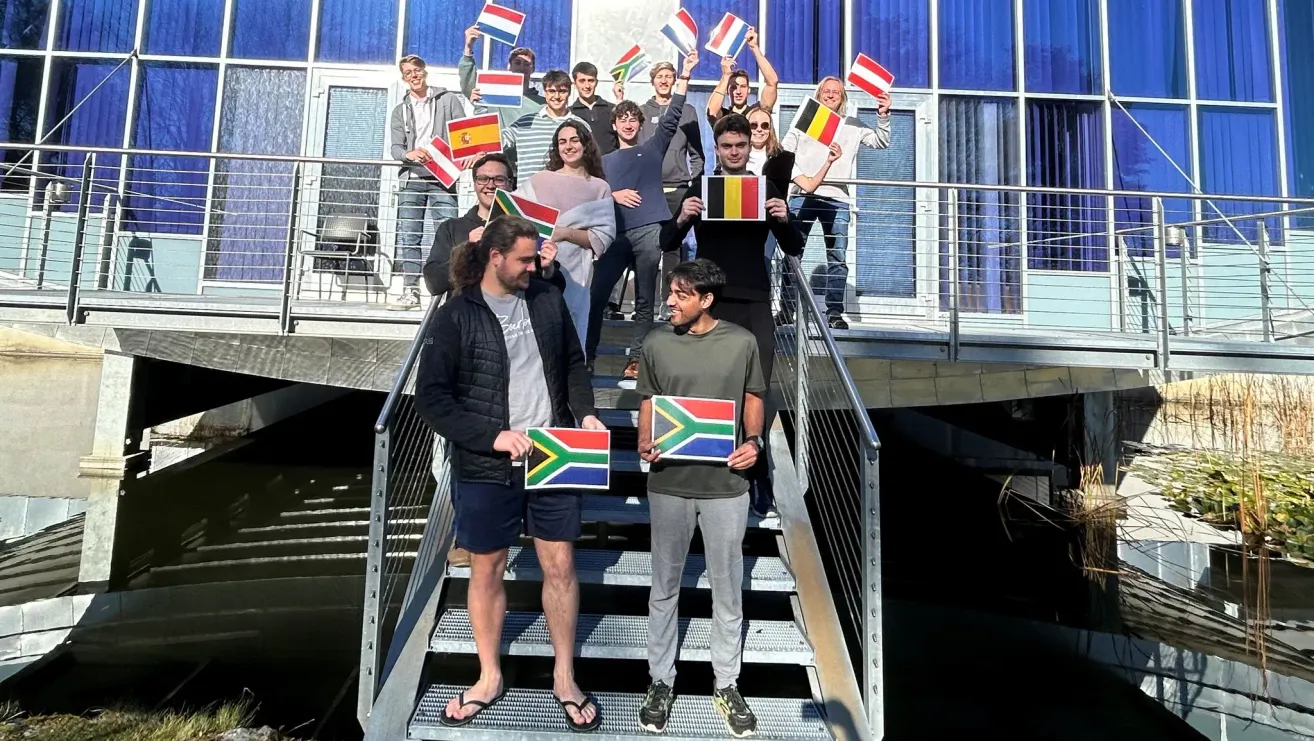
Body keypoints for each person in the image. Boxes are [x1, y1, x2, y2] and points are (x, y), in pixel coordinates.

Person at [414, 215, 604, 733]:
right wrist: (490, 436)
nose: (534, 265)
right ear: (495, 257)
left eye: (535, 256)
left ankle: (564, 676)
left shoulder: (546, 299)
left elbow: (572, 363)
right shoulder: (455, 315)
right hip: (486, 464)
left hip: (554, 454)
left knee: (560, 565)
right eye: (524, 258)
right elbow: (432, 400)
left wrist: (583, 411)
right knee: (487, 567)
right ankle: (489, 675)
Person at [635, 258, 767, 739]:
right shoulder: (654, 343)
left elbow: (755, 395)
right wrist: (643, 440)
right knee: (663, 588)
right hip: (668, 483)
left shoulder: (741, 342)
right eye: (670, 291)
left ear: (706, 300)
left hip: (726, 489)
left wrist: (754, 443)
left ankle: (727, 685)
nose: (670, 301)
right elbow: (648, 398)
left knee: (727, 590)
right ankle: (659, 682)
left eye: (681, 294)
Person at [661, 113, 802, 517]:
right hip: (709, 303)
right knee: (702, 384)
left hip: (755, 299)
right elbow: (665, 240)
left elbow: (793, 248)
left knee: (755, 389)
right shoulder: (701, 188)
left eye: (741, 145)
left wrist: (784, 217)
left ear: (749, 147)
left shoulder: (766, 188)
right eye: (727, 146)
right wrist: (683, 216)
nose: (735, 151)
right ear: (717, 149)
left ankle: (757, 479)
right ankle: (697, 470)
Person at [586, 51, 697, 379]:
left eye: (634, 118)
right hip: (616, 234)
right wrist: (613, 194)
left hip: (649, 230)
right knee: (597, 295)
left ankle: (636, 360)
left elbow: (674, 113)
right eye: (623, 118)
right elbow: (592, 196)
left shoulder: (652, 148)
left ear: (639, 123)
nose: (629, 123)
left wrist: (686, 75)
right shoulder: (604, 162)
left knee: (646, 299)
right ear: (615, 124)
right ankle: (588, 354)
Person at [780, 76, 892, 330]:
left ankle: (833, 312)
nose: (831, 95)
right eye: (826, 91)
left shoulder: (852, 124)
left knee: (838, 258)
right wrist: (803, 179)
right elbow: (785, 151)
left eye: (836, 93)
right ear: (819, 94)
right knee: (792, 254)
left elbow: (881, 141)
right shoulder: (807, 118)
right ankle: (787, 310)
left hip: (837, 197)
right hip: (802, 195)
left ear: (842, 98)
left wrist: (883, 115)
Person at [518, 122, 615, 349]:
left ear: (585, 144)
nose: (568, 146)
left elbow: (602, 238)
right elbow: (514, 217)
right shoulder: (539, 179)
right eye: (562, 141)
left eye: (574, 140)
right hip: (537, 269)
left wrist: (565, 233)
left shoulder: (600, 187)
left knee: (570, 332)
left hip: (577, 273)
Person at [423, 152, 564, 299]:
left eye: (499, 179)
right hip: (470, 317)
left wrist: (548, 270)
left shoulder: (527, 229)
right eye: (482, 179)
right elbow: (433, 283)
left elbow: (558, 288)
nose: (490, 185)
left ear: (510, 184)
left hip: (516, 317)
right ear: (474, 184)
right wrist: (467, 249)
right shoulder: (452, 228)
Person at [388, 54, 469, 310]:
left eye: (417, 70)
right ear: (403, 78)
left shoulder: (448, 99)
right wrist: (408, 155)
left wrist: (466, 156)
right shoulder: (400, 110)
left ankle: (450, 289)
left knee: (448, 234)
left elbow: (463, 132)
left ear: (425, 71)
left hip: (442, 178)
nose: (413, 75)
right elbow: (396, 148)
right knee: (409, 236)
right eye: (407, 72)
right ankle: (411, 291)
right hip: (412, 179)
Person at [640, 61, 705, 303]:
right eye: (660, 76)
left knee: (673, 248)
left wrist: (695, 183)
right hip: (649, 190)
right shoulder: (641, 112)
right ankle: (643, 301)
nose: (665, 80)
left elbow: (697, 152)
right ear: (653, 81)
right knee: (646, 247)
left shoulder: (687, 111)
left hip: (678, 188)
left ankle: (670, 301)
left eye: (669, 76)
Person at [503, 69, 590, 183]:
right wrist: (481, 103)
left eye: (562, 91)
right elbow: (497, 140)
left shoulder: (581, 125)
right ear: (545, 92)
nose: (557, 96)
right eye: (552, 91)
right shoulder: (525, 122)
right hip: (527, 196)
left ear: (569, 92)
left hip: (566, 194)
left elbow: (590, 162)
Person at [460, 31, 543, 128]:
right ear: (509, 67)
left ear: (533, 69)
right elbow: (469, 83)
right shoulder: (495, 96)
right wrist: (468, 48)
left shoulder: (541, 103)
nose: (521, 67)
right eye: (517, 63)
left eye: (526, 64)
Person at [705, 28, 779, 123]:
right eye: (733, 88)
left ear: (749, 90)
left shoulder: (757, 113)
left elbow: (772, 82)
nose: (738, 91)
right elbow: (711, 112)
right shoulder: (723, 117)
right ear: (727, 91)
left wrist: (754, 47)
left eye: (743, 86)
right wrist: (726, 76)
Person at [569, 62, 619, 155]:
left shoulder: (612, 109)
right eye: (582, 81)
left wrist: (620, 99)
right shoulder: (570, 114)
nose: (587, 86)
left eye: (591, 80)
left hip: (610, 166)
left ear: (596, 82)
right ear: (574, 84)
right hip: (584, 167)